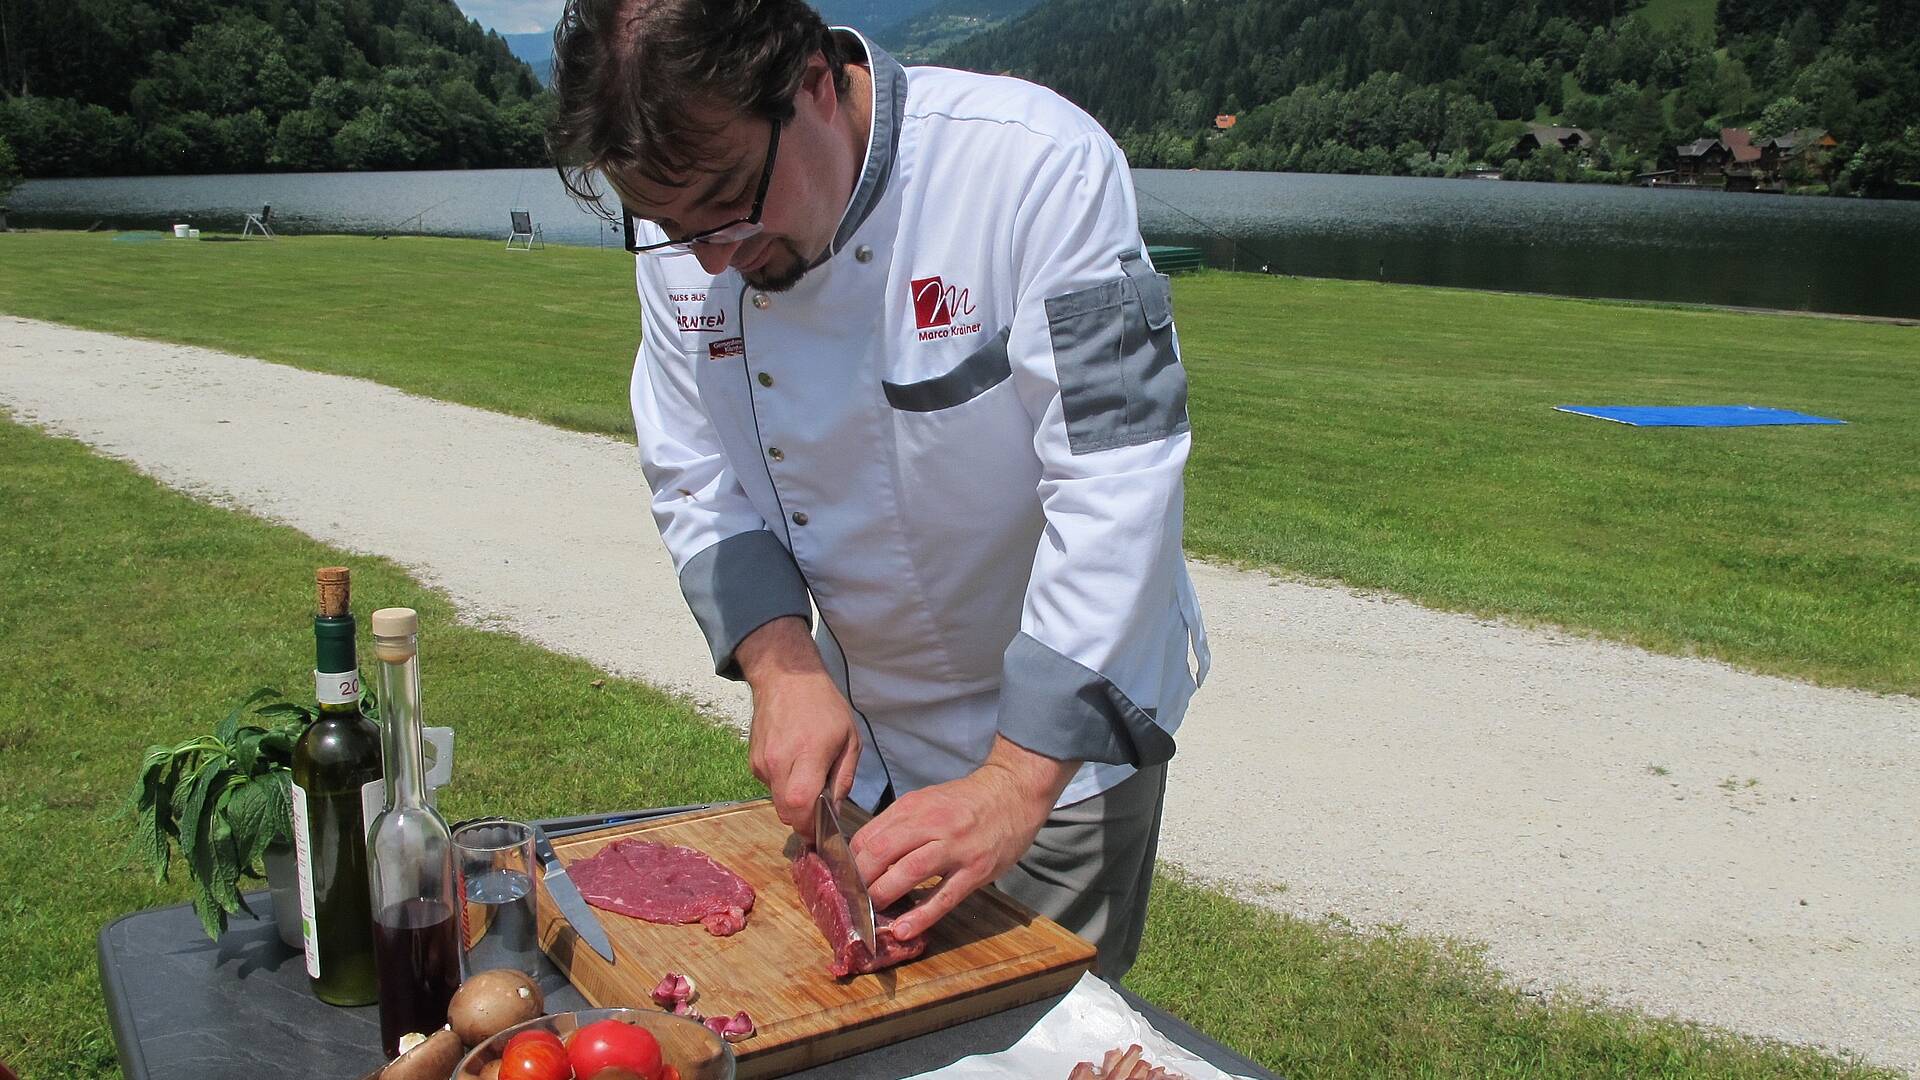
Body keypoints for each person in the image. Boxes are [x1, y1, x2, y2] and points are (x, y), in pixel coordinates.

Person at [549, 0, 1208, 978]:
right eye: (671, 227)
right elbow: (695, 467)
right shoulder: (697, 237)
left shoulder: (1035, 170)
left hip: (1061, 764)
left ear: (811, 80)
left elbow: (1118, 482)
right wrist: (782, 664)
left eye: (731, 201)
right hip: (861, 753)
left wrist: (1012, 784)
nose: (713, 258)